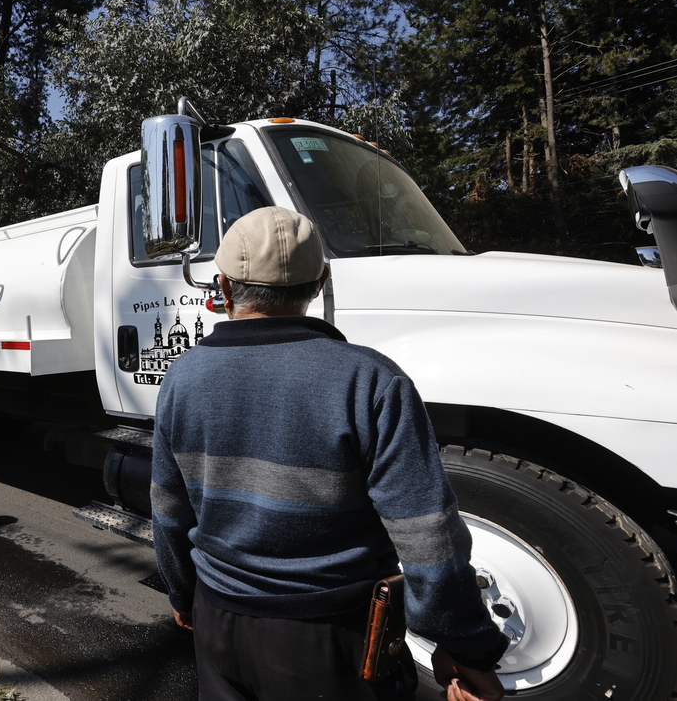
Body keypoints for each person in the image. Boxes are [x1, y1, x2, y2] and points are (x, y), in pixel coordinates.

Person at [151, 207, 507, 701]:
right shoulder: (371, 380)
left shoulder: (181, 378)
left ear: (225, 288)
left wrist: (182, 593)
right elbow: (427, 533)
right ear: (319, 283)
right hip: (329, 636)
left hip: (218, 618)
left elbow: (169, 511)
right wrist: (464, 644)